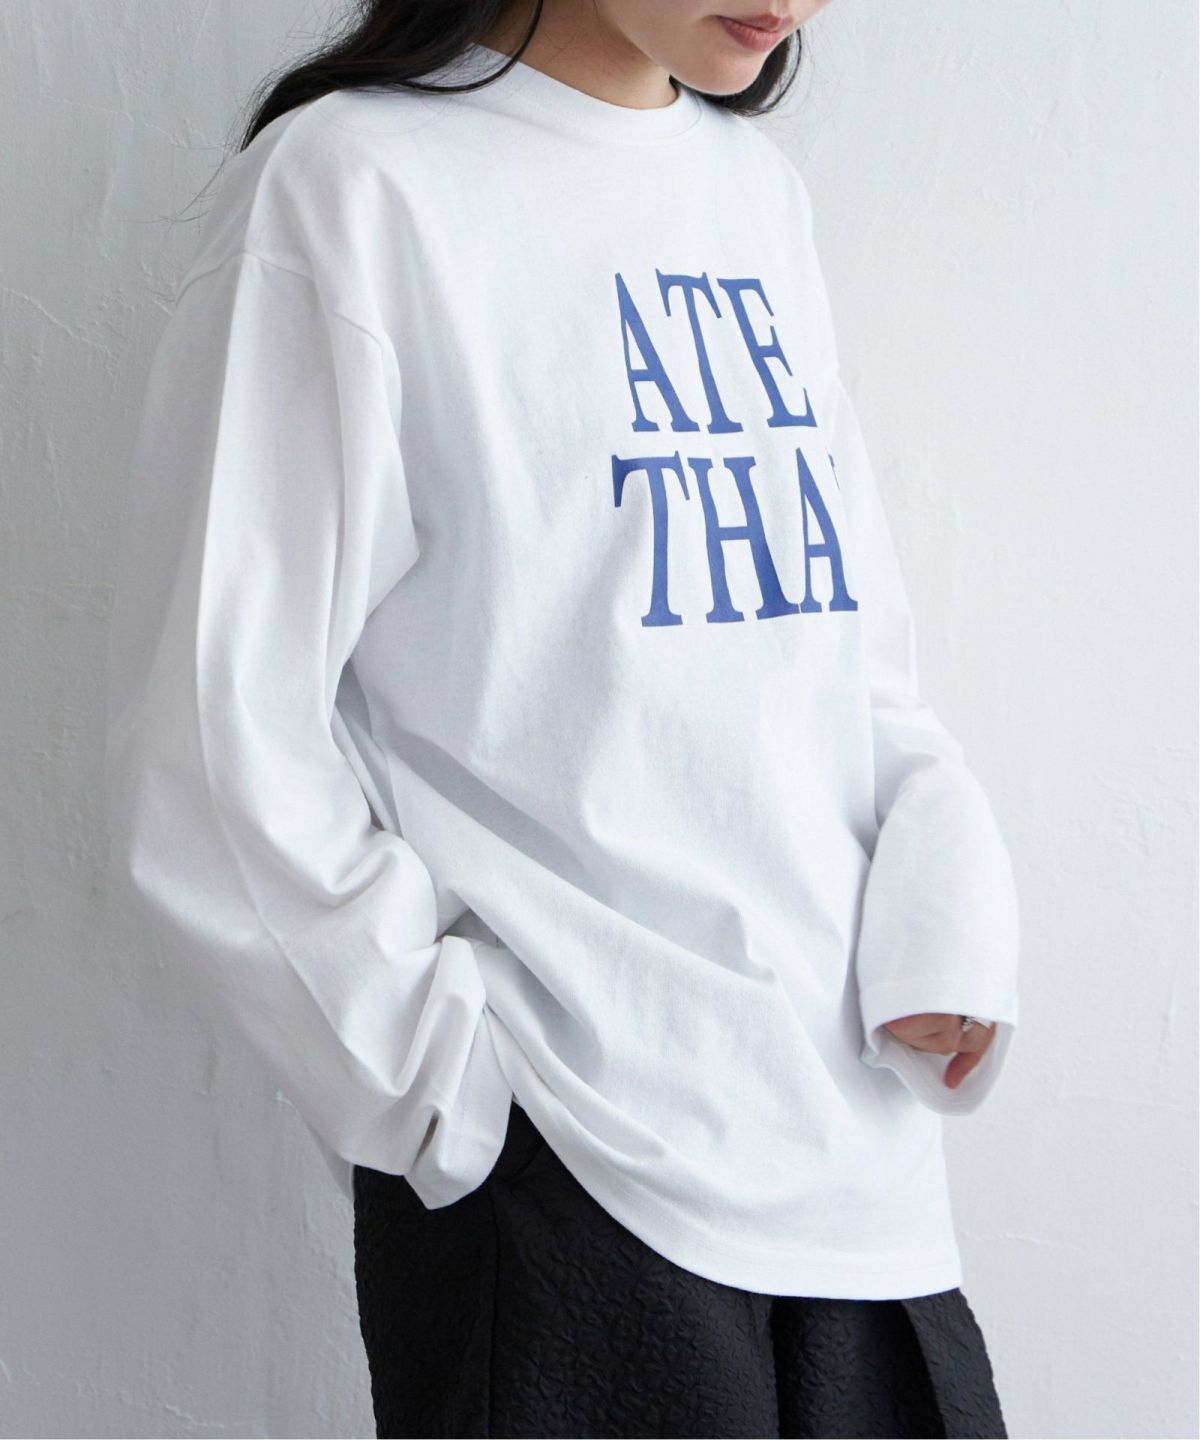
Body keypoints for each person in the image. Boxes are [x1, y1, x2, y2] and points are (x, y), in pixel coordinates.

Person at [103, 1, 1021, 1435]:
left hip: (862, 1180)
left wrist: (943, 927)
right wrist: (452, 1099)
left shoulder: (755, 196)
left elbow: (850, 662)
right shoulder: (356, 187)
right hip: (575, 1191)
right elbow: (214, 743)